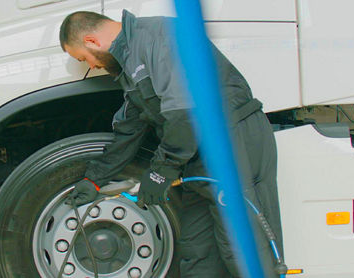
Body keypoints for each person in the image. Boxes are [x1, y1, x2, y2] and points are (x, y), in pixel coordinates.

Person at [59, 10, 283, 278]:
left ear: (91, 41)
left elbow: (185, 113)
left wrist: (159, 171)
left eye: (84, 59)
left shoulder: (159, 36)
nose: (91, 66)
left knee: (242, 249)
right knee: (198, 253)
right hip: (195, 155)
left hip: (231, 143)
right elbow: (129, 130)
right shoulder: (130, 63)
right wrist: (94, 179)